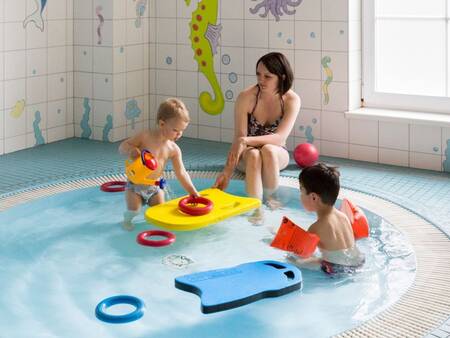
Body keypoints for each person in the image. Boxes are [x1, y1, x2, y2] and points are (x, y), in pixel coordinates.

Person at [213, 52, 301, 222]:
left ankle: (271, 199)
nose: (261, 80)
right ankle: (255, 208)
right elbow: (239, 138)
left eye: (267, 76)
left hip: (275, 153)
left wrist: (246, 140)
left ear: (281, 77)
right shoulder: (246, 97)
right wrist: (227, 172)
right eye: (258, 74)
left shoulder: (291, 99)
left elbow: (280, 137)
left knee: (268, 149)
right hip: (247, 154)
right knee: (254, 155)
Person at [119, 98, 199, 230]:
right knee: (134, 211)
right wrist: (131, 150)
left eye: (182, 130)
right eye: (175, 130)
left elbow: (181, 173)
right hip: (135, 185)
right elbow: (122, 147)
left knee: (160, 213)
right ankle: (127, 221)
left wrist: (192, 191)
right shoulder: (145, 136)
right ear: (162, 124)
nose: (179, 134)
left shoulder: (173, 149)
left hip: (155, 187)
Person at [296, 163, 365, 274]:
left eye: (301, 191)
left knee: (295, 261)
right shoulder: (343, 216)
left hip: (338, 270)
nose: (300, 195)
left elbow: (301, 253)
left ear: (313, 197)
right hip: (359, 261)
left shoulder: (317, 228)